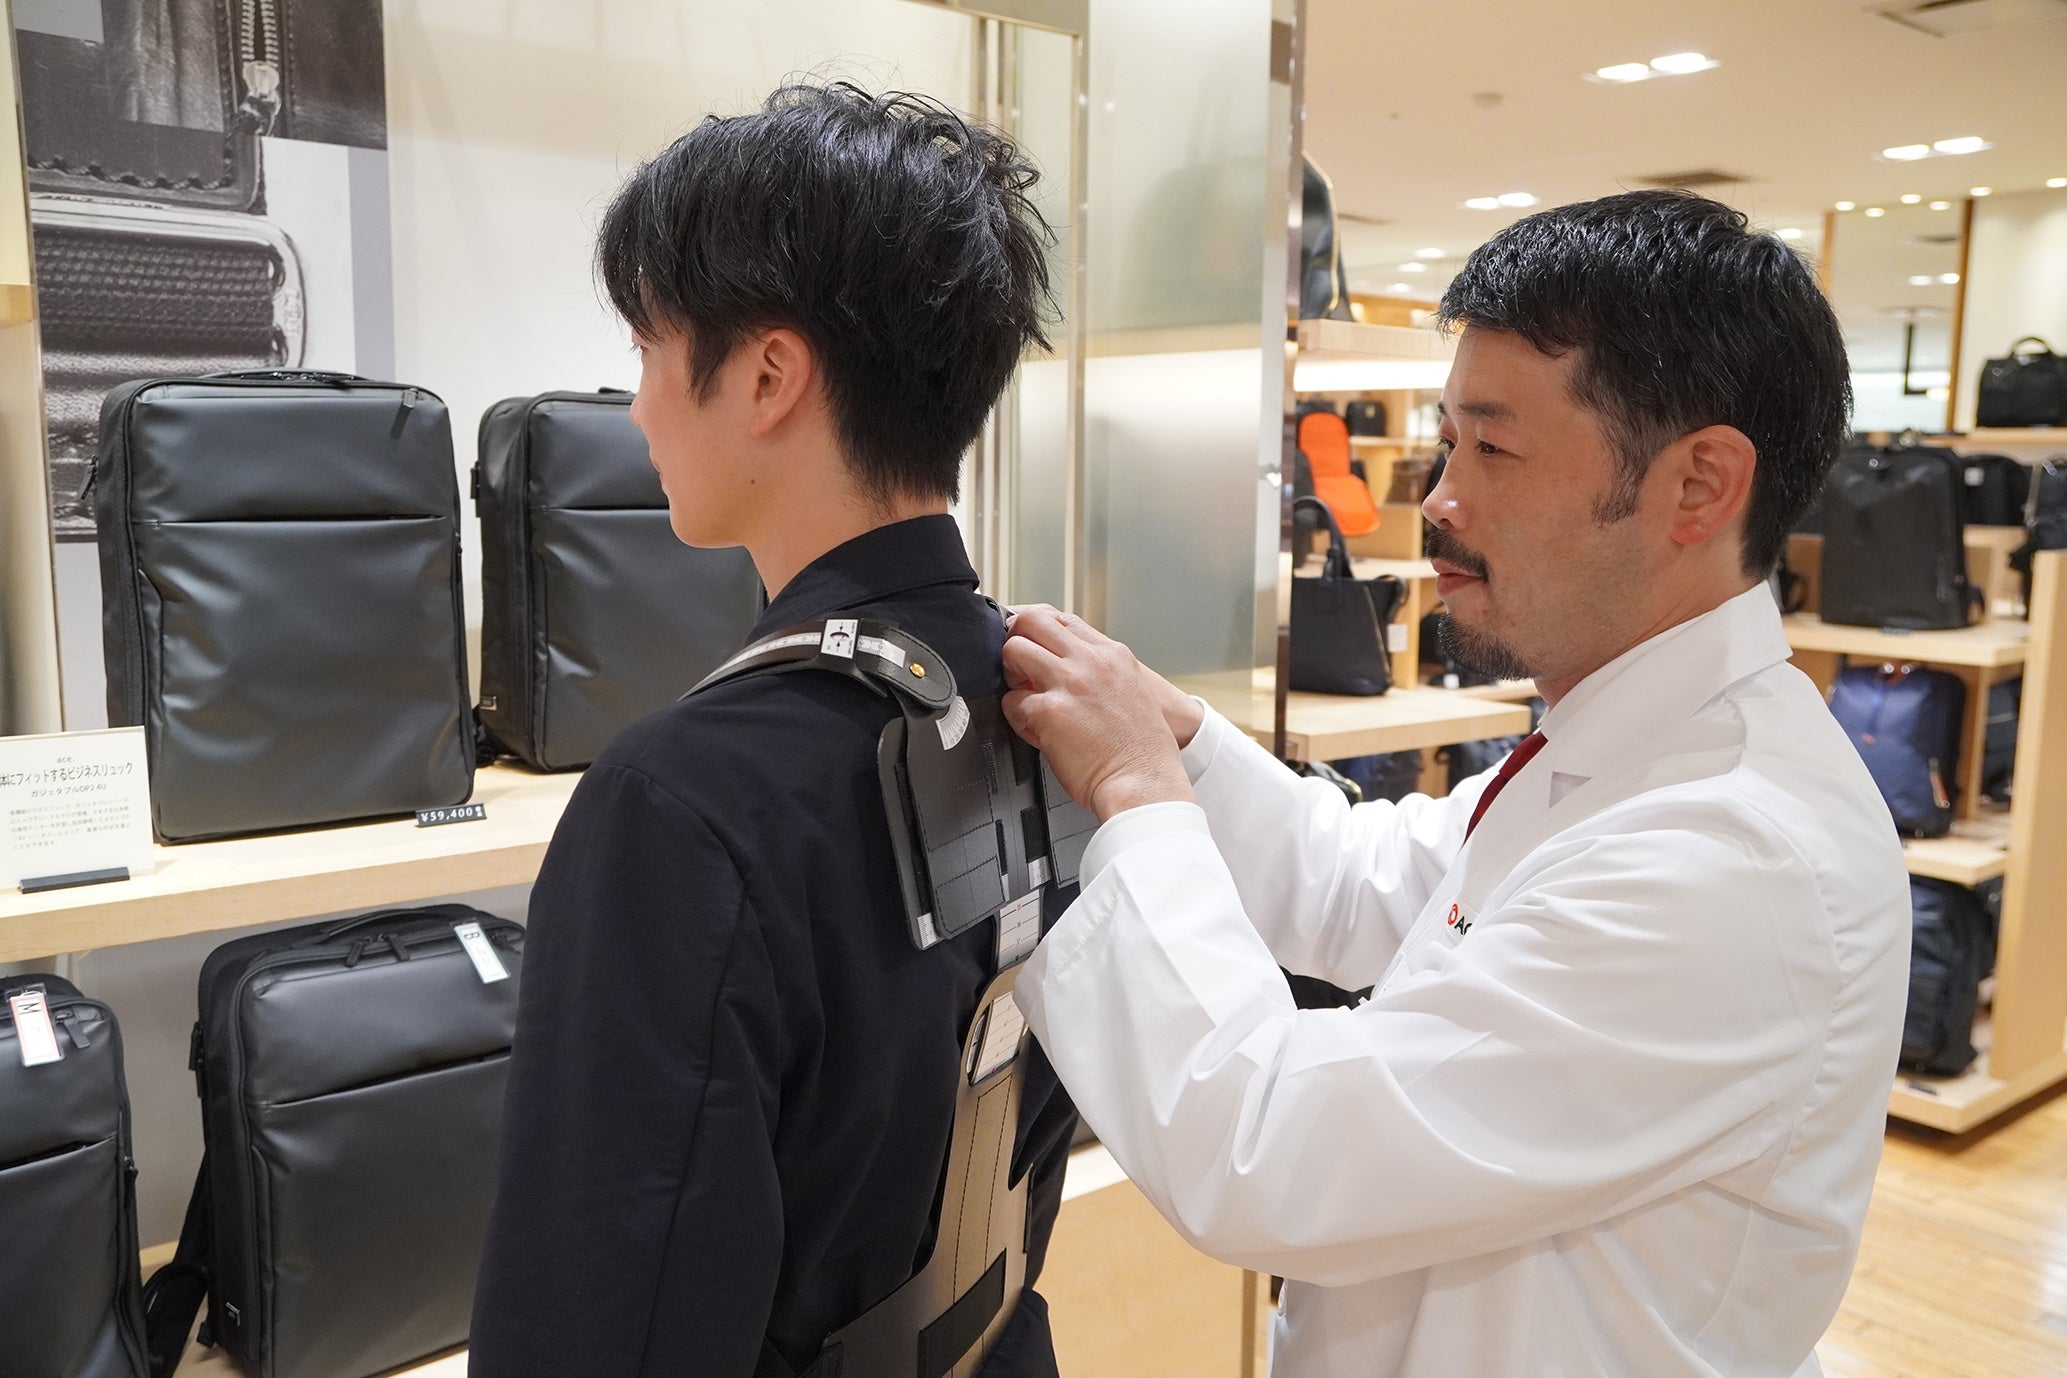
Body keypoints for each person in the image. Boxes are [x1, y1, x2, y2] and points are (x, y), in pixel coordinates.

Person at [1000, 190, 1910, 1377]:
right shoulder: (1622, 751)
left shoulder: (1732, 859)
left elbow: (1271, 1153)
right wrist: (1184, 745)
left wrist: (1139, 790)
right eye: (1446, 441)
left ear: (1698, 486)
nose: (1439, 497)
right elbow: (1363, 881)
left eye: (1494, 448)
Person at [470, 83, 1077, 1378]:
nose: (638, 405)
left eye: (649, 347)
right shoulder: (1057, 700)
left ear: (764, 375)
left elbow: (599, 1327)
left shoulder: (684, 802)